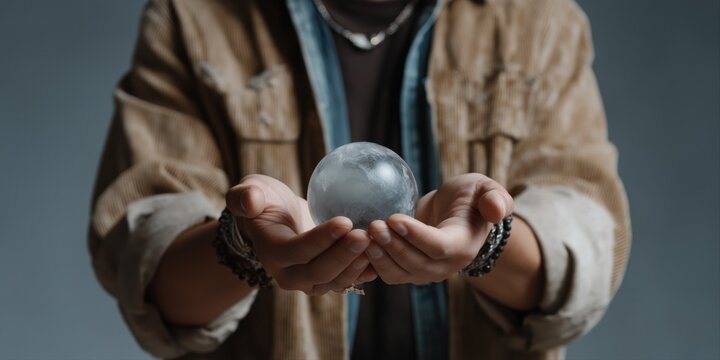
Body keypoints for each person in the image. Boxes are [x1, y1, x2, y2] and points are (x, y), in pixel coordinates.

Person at [88, 0, 631, 358]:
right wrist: (244, 240)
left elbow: (583, 246)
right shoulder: (194, 16)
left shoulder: (538, 20)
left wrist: (484, 239)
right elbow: (152, 279)